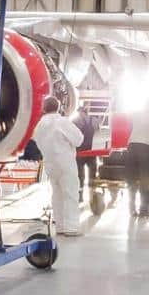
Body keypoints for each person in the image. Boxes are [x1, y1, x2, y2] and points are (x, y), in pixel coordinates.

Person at [32, 97, 84, 236]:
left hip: (50, 164)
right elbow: (79, 139)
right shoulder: (61, 122)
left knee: (57, 195)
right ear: (58, 107)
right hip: (65, 162)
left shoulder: (39, 125)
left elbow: (36, 141)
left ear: (44, 108)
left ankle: (60, 226)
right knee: (70, 194)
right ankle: (71, 228)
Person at [73, 102, 100, 201]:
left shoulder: (75, 121)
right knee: (92, 174)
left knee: (80, 175)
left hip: (80, 151)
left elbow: (73, 136)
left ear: (80, 111)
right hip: (92, 151)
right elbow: (98, 134)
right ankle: (93, 195)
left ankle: (80, 196)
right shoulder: (95, 120)